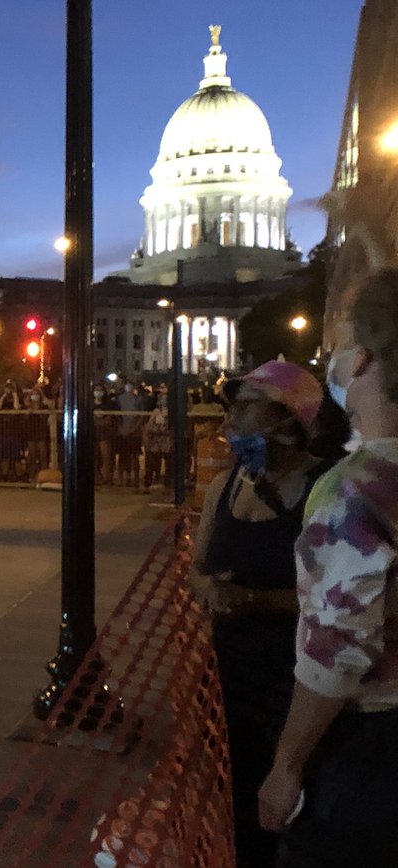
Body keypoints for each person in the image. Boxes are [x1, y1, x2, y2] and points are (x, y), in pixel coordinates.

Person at [259, 274, 398, 865]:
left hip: (370, 748)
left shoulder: (353, 490)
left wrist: (286, 767)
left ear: (361, 357)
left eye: (337, 345)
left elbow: (337, 648)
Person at [189, 361, 332, 867]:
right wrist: (209, 588)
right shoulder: (225, 487)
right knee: (239, 815)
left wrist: (254, 600)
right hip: (229, 686)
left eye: (246, 406)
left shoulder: (326, 494)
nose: (231, 422)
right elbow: (198, 570)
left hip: (297, 693)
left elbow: (339, 606)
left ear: (288, 420)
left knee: (294, 823)